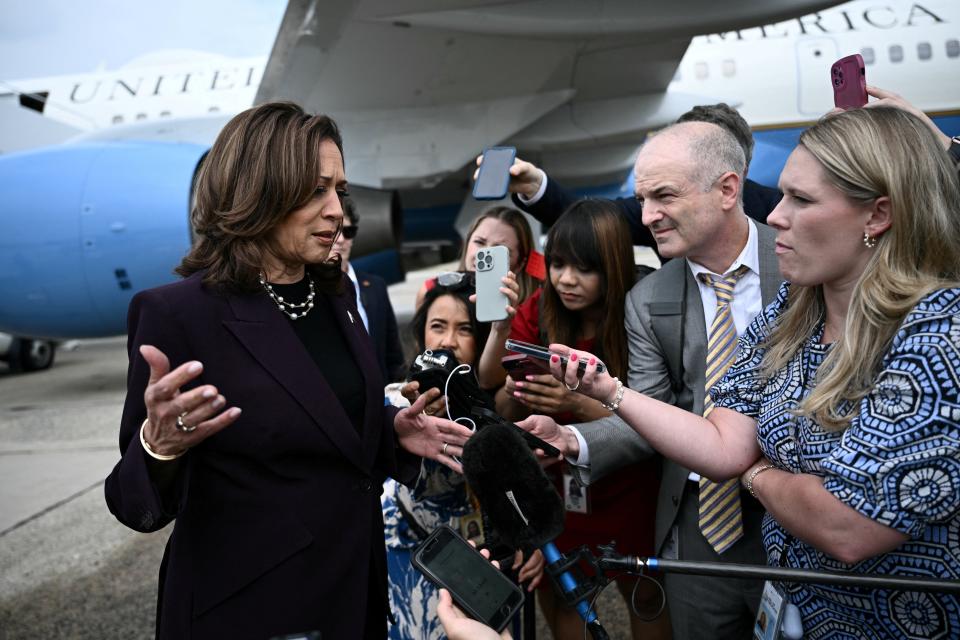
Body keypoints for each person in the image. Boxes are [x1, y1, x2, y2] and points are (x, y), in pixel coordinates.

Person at [544, 106, 960, 637]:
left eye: (802, 200)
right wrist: (611, 392)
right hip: (797, 611)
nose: (778, 215)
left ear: (877, 216)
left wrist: (756, 472)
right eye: (783, 195)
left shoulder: (938, 334)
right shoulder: (794, 303)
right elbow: (723, 443)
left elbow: (849, 525)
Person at [103, 102, 475, 640]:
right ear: (258, 190)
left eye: (340, 192)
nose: (337, 213)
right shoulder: (178, 315)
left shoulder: (337, 293)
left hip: (352, 594)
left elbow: (327, 425)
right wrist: (159, 445)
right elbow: (133, 503)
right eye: (315, 191)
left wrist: (387, 432)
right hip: (252, 607)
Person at [519, 120, 780, 639]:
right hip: (699, 523)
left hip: (798, 517)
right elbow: (646, 414)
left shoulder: (799, 264)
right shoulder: (648, 300)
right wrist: (572, 439)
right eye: (641, 200)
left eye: (663, 196)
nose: (647, 217)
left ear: (728, 189)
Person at [496, 200, 669, 640]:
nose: (566, 280)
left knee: (646, 594)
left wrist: (575, 399)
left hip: (633, 482)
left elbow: (653, 419)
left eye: (584, 268)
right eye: (556, 264)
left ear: (612, 266)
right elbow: (502, 403)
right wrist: (520, 392)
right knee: (571, 593)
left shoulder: (642, 307)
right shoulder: (538, 310)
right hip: (562, 486)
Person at [382, 279, 544, 640]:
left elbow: (519, 483)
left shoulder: (494, 407)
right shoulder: (397, 398)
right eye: (437, 326)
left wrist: (528, 539)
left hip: (481, 563)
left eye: (465, 329)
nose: (448, 340)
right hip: (412, 556)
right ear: (422, 333)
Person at [493, 103, 782, 250]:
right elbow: (588, 220)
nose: (650, 217)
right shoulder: (647, 304)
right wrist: (534, 187)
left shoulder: (780, 217)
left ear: (734, 180)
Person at [331, 195, 406, 382]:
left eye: (348, 232)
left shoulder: (376, 286)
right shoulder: (310, 288)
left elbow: (393, 356)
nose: (340, 240)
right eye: (333, 231)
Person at [415, 205, 539, 311]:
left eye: (499, 249)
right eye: (479, 242)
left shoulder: (533, 312)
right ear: (466, 243)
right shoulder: (431, 290)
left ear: (520, 264)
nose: (484, 254)